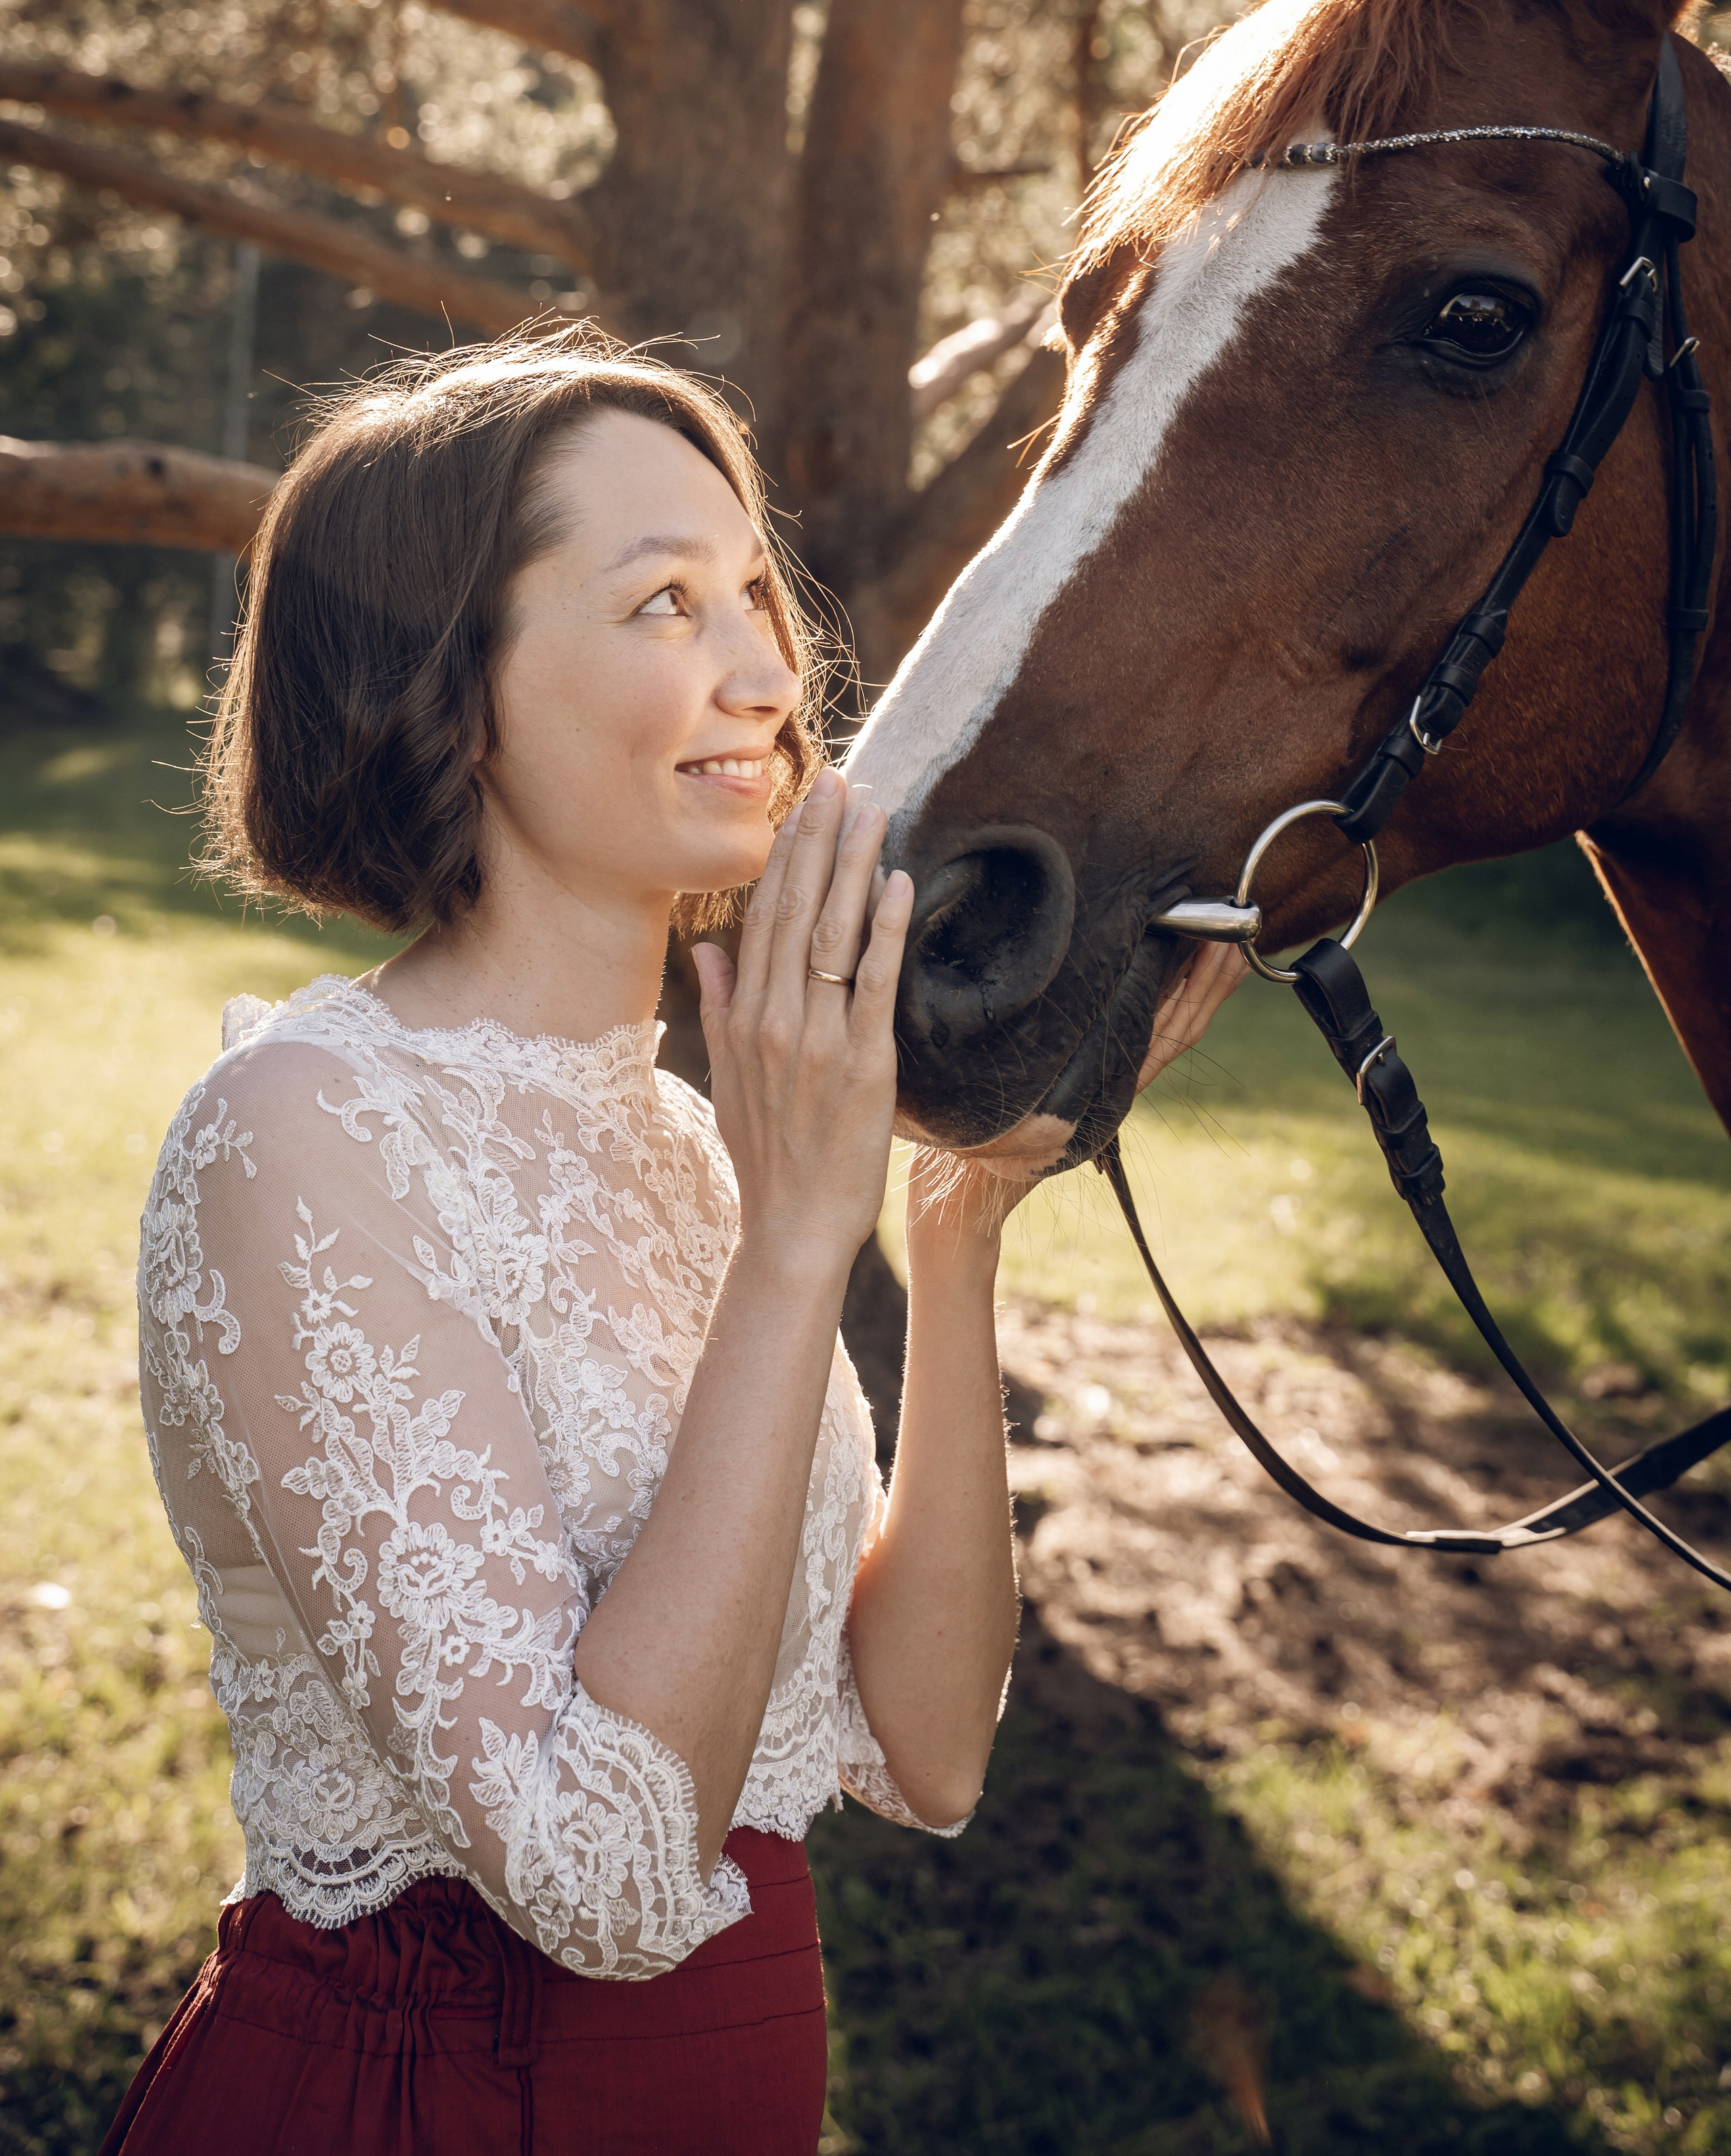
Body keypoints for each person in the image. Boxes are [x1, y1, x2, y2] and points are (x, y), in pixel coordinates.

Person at [104, 334, 1243, 2156]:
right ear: (450, 689)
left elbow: (928, 1750)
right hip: (423, 2108)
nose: (764, 671)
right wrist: (801, 1245)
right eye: (662, 603)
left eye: (752, 596)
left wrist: (953, 1240)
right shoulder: (304, 1133)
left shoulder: (692, 1151)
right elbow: (612, 1881)